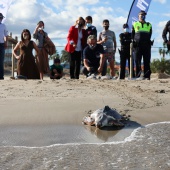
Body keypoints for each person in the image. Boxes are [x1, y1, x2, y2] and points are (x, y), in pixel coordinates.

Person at [132, 10, 152, 80]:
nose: (143, 16)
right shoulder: (135, 24)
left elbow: (150, 35)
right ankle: (138, 76)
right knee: (137, 61)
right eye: (141, 15)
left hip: (146, 46)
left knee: (147, 61)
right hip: (137, 46)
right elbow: (132, 35)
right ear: (138, 16)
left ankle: (147, 76)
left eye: (144, 15)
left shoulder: (149, 24)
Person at [0, 13, 8, 80]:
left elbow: (6, 35)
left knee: (1, 61)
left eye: (1, 18)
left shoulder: (3, 26)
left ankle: (1, 76)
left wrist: (6, 42)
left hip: (1, 44)